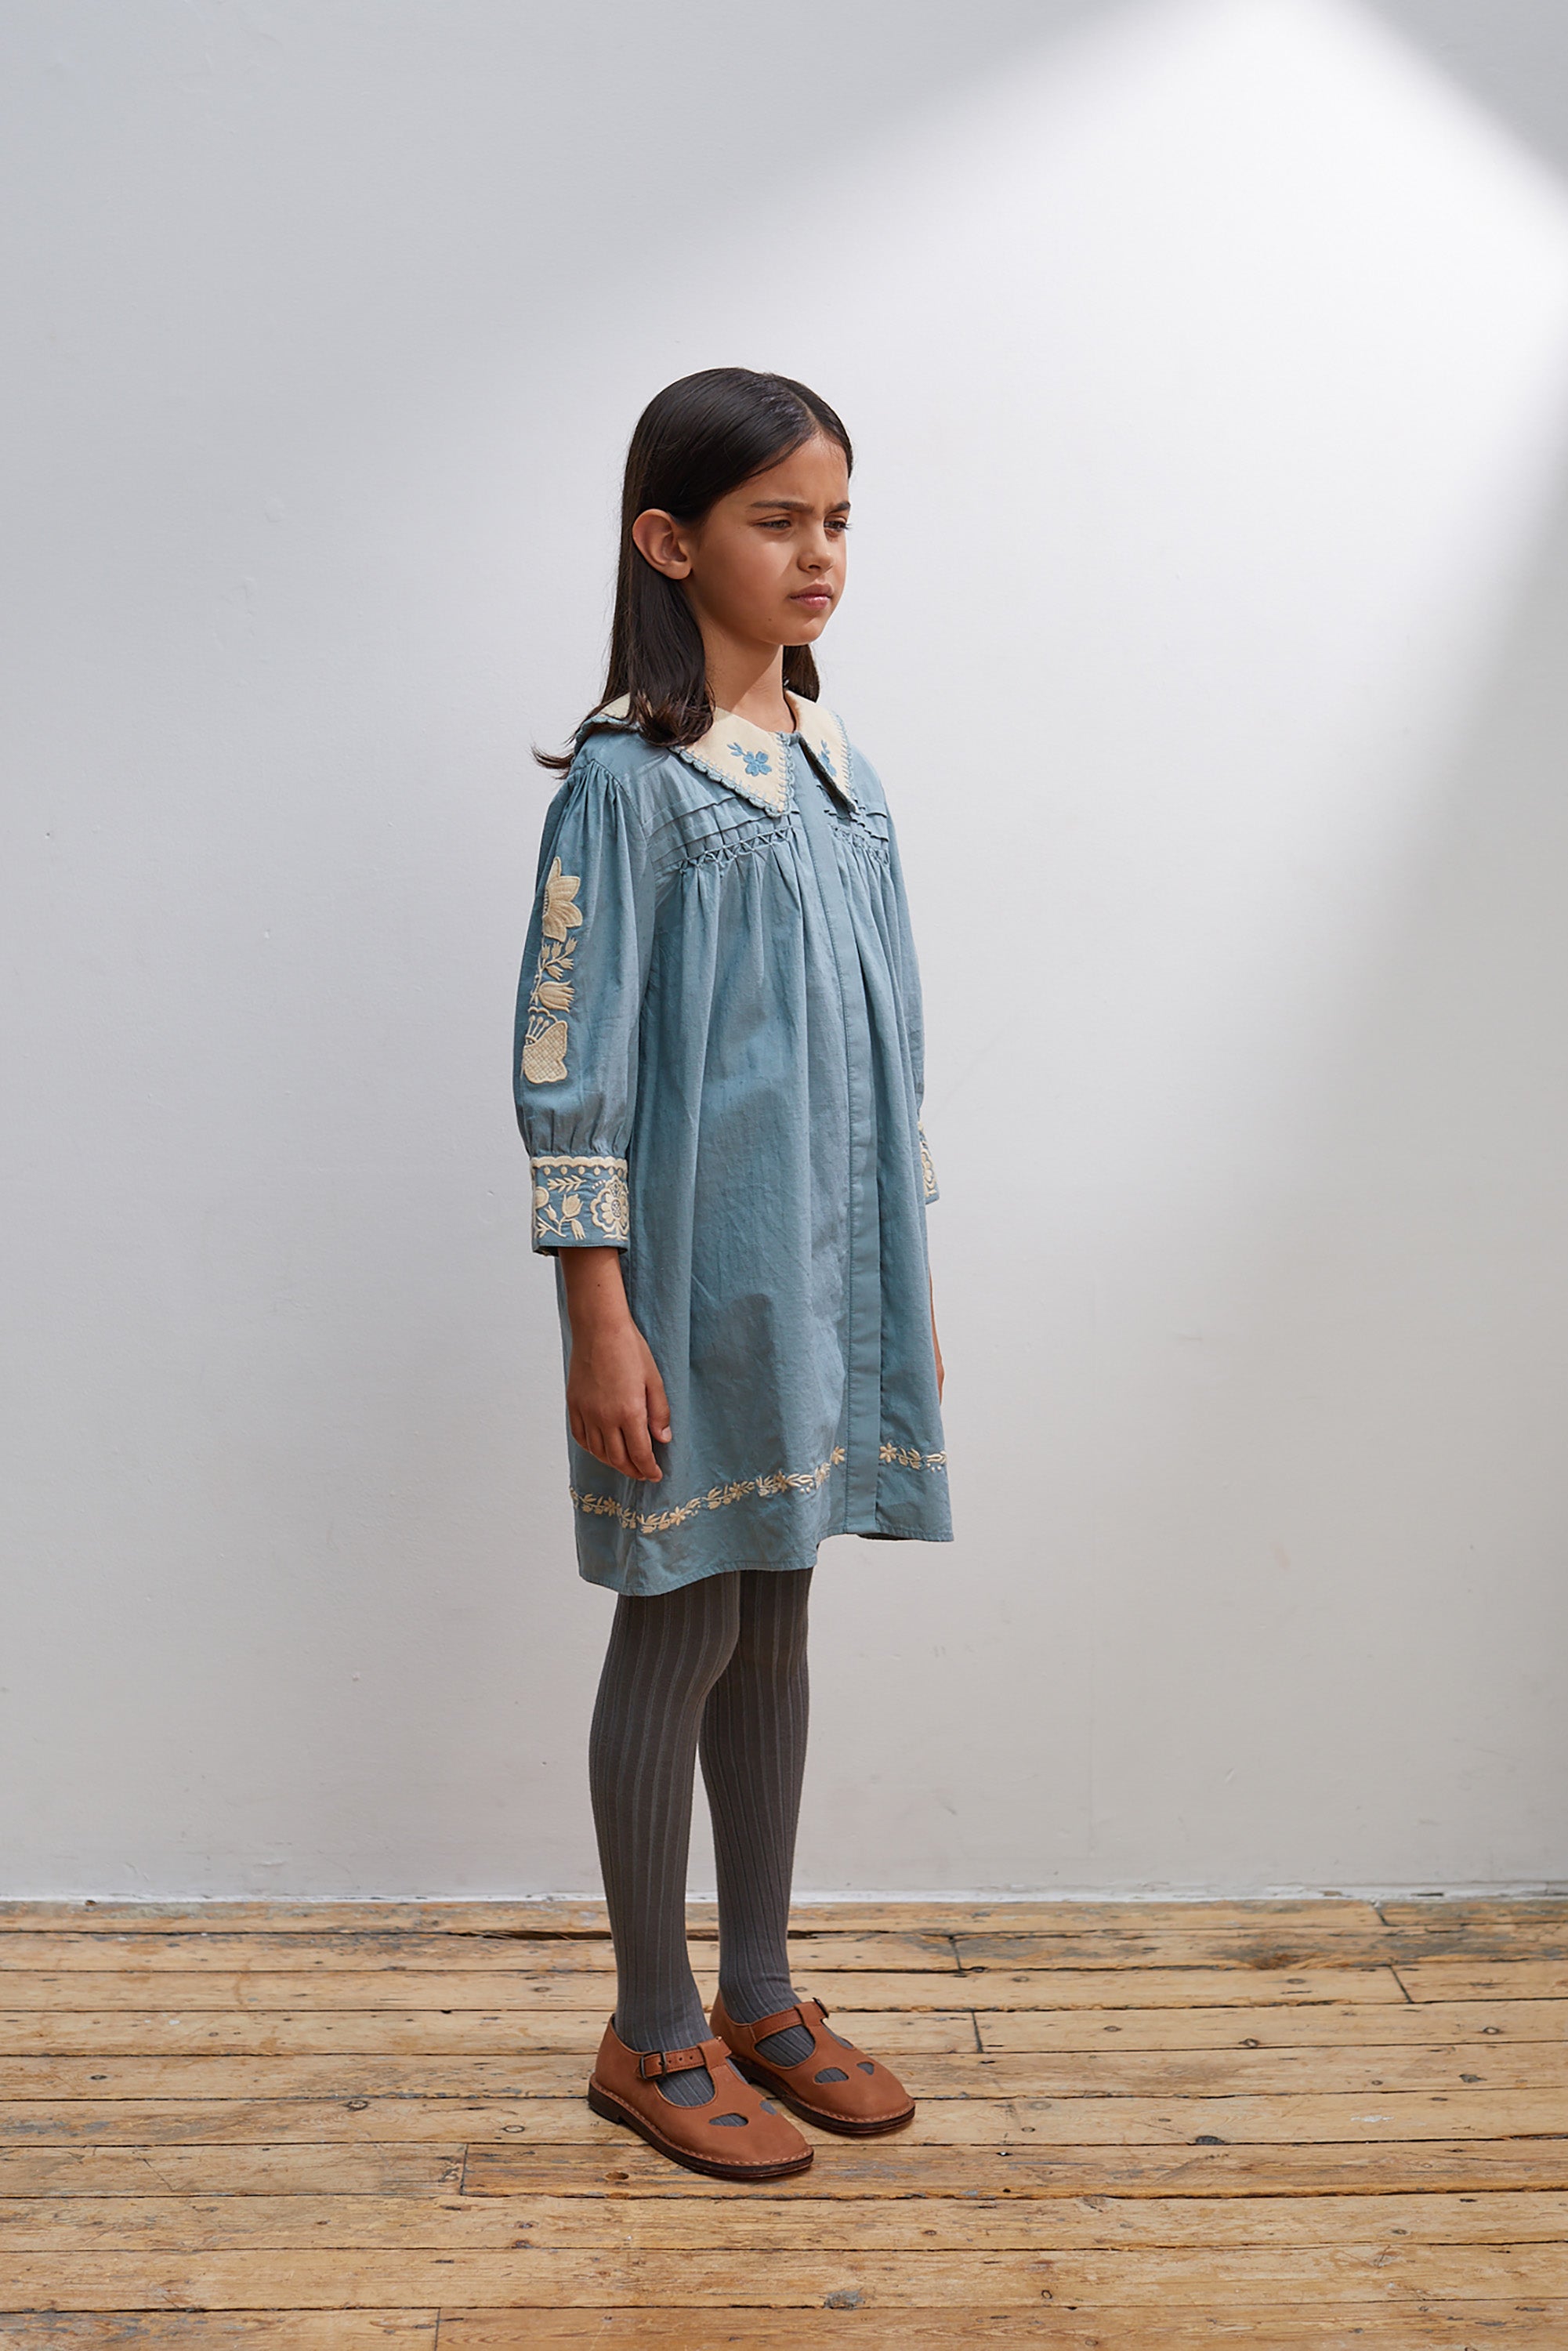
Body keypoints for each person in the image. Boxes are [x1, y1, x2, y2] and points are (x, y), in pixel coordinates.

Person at [514, 368, 951, 2182]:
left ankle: (760, 1992)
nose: (817, 553)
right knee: (679, 1614)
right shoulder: (631, 784)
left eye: (835, 521)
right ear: (669, 540)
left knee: (775, 1608)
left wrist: (903, 1278)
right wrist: (596, 1313)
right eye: (777, 521)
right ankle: (650, 2024)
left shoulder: (844, 778)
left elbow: (888, 1044)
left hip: (823, 1279)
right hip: (691, 1283)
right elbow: (569, 1060)